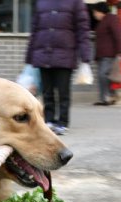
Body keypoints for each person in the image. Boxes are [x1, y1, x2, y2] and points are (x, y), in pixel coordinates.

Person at [25, 0, 92, 135]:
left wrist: (85, 58)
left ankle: (62, 122)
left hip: (64, 54)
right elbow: (35, 30)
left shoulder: (75, 3)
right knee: (47, 92)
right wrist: (29, 57)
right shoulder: (41, 2)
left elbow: (82, 30)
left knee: (63, 92)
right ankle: (49, 120)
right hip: (43, 54)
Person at [92, 2, 121, 106]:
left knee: (103, 75)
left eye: (95, 12)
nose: (94, 14)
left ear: (101, 11)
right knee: (105, 76)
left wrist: (120, 52)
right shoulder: (101, 22)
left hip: (109, 54)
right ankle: (110, 96)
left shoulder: (111, 19)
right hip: (101, 55)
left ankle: (107, 97)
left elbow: (118, 36)